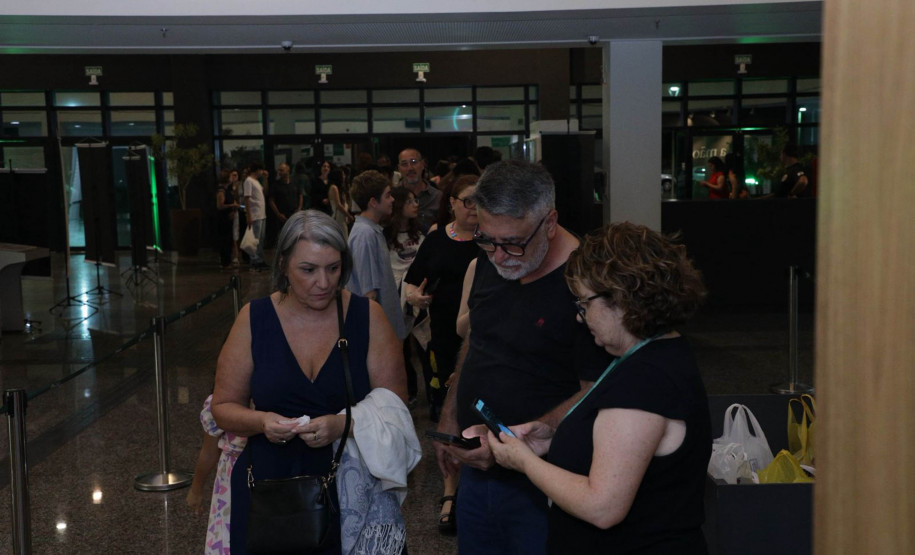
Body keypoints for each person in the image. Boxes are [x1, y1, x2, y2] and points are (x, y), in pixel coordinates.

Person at [488, 222, 711, 554]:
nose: (580, 317)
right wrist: (554, 439)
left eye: (584, 303)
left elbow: (603, 507)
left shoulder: (645, 380)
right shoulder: (654, 353)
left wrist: (524, 462)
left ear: (621, 299)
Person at [212, 210, 418, 555]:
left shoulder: (368, 317)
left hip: (351, 487)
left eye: (333, 268)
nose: (323, 283)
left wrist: (343, 424)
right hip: (270, 489)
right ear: (283, 266)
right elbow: (223, 408)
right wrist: (262, 421)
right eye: (308, 270)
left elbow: (395, 406)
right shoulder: (255, 318)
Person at [434, 160, 613, 555]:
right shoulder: (492, 258)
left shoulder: (588, 284)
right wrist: (450, 413)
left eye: (513, 242)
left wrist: (522, 444)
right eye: (487, 240)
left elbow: (602, 388)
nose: (500, 256)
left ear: (549, 222)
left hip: (552, 483)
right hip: (480, 472)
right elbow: (478, 340)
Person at [404, 174, 481, 535]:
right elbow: (412, 280)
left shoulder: (492, 241)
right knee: (447, 410)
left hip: (480, 341)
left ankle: (464, 486)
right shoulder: (437, 240)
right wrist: (414, 297)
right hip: (442, 339)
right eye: (467, 200)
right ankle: (451, 486)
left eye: (479, 200)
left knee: (474, 408)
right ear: (451, 202)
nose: (473, 208)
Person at [346, 170, 407, 341]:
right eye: (387, 195)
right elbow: (368, 295)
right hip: (377, 334)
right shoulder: (365, 235)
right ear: (373, 202)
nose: (392, 199)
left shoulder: (371, 231)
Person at [186, 394, 247, 554]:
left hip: (234, 476)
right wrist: (196, 489)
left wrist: (196, 490)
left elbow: (208, 453)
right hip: (232, 480)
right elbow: (208, 453)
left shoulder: (222, 403)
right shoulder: (220, 404)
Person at [383, 187, 425, 407]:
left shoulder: (421, 231)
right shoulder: (384, 235)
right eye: (410, 201)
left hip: (420, 296)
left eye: (416, 199)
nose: (415, 204)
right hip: (394, 297)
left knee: (424, 345)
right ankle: (406, 392)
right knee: (400, 347)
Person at [398, 148, 441, 234]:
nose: (410, 168)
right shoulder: (392, 197)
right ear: (399, 168)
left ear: (422, 164)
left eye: (414, 162)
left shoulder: (438, 197)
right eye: (404, 164)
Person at [242, 161, 269, 271]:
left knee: (260, 239)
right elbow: (247, 198)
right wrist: (249, 215)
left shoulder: (256, 181)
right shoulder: (248, 181)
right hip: (255, 214)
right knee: (255, 239)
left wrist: (266, 179)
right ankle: (255, 260)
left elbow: (265, 191)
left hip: (261, 214)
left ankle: (260, 259)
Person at [215, 170, 241, 270]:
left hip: (229, 218)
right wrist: (232, 205)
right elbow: (220, 205)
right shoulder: (221, 190)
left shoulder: (228, 189)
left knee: (229, 240)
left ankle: (228, 260)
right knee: (225, 240)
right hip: (223, 219)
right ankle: (225, 262)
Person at [268, 162, 303, 226]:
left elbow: (300, 195)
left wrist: (299, 209)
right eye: (279, 170)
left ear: (288, 170)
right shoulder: (275, 185)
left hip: (294, 213)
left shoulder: (295, 182)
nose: (279, 172)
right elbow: (271, 200)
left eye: (281, 170)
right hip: (283, 214)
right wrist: (278, 214)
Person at [327, 167, 354, 239]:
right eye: (343, 175)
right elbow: (338, 205)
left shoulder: (339, 188)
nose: (344, 177)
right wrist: (348, 215)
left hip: (342, 216)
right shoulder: (334, 188)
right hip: (338, 216)